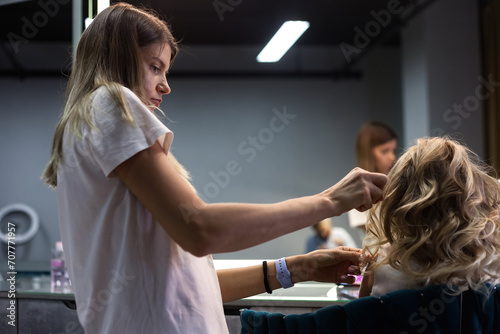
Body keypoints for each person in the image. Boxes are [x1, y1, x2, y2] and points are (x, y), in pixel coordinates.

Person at [41, 3, 387, 333]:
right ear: (121, 59)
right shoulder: (109, 102)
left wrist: (298, 268)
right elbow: (201, 229)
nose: (165, 85)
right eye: (154, 67)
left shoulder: (91, 124)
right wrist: (330, 201)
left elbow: (191, 289)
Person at [358, 137, 500, 299]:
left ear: (400, 199)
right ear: (470, 196)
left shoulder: (383, 265)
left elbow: (362, 317)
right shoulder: (491, 259)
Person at [348, 121, 398, 241]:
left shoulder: (395, 185)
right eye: (385, 151)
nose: (393, 157)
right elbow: (377, 237)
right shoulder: (355, 189)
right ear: (369, 154)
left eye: (393, 150)